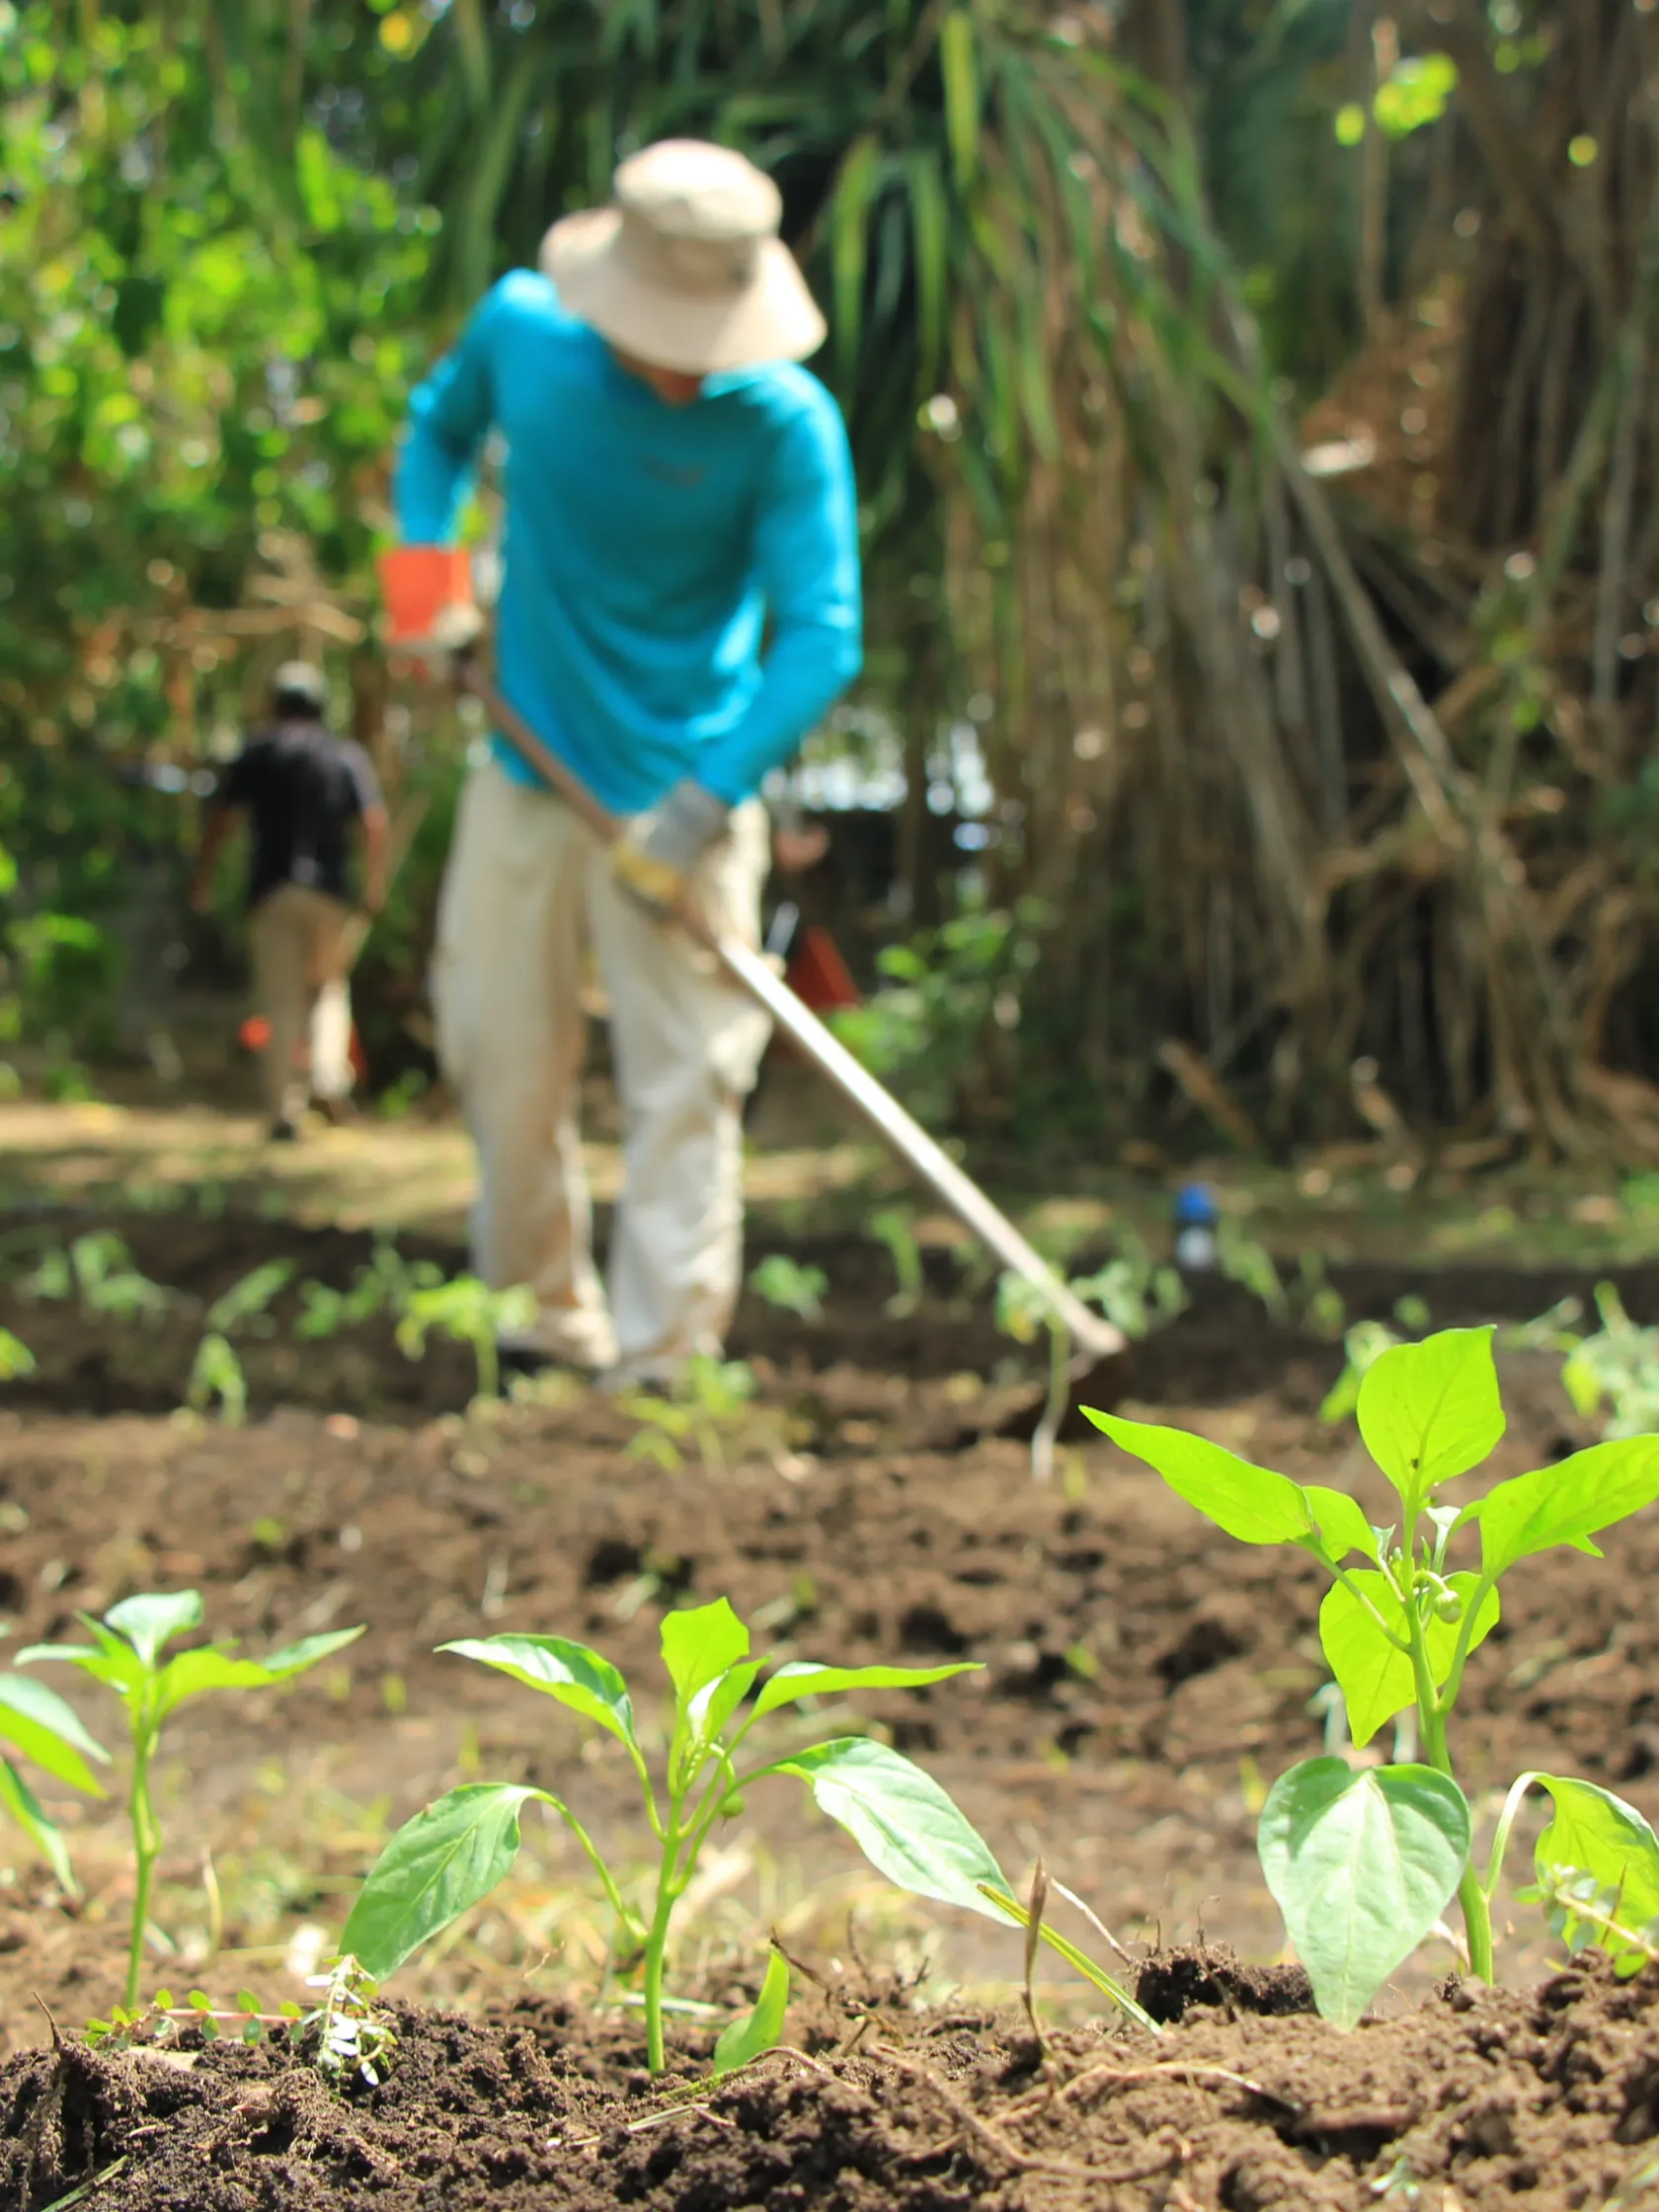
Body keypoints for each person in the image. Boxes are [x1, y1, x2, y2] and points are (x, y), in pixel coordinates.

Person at [383, 138, 862, 1386]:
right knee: (503, 1052)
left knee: (688, 1079)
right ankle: (542, 1319)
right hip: (529, 772)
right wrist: (423, 592)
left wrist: (701, 803)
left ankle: (662, 1355)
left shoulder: (785, 425)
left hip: (689, 787)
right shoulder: (526, 339)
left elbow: (821, 637)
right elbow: (434, 440)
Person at [193, 662, 389, 1141]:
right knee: (326, 988)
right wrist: (374, 886)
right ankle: (326, 1074)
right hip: (330, 895)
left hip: (273, 891)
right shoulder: (344, 755)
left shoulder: (258, 753)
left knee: (281, 999)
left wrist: (203, 876)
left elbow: (221, 819)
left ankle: (285, 1110)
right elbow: (373, 822)